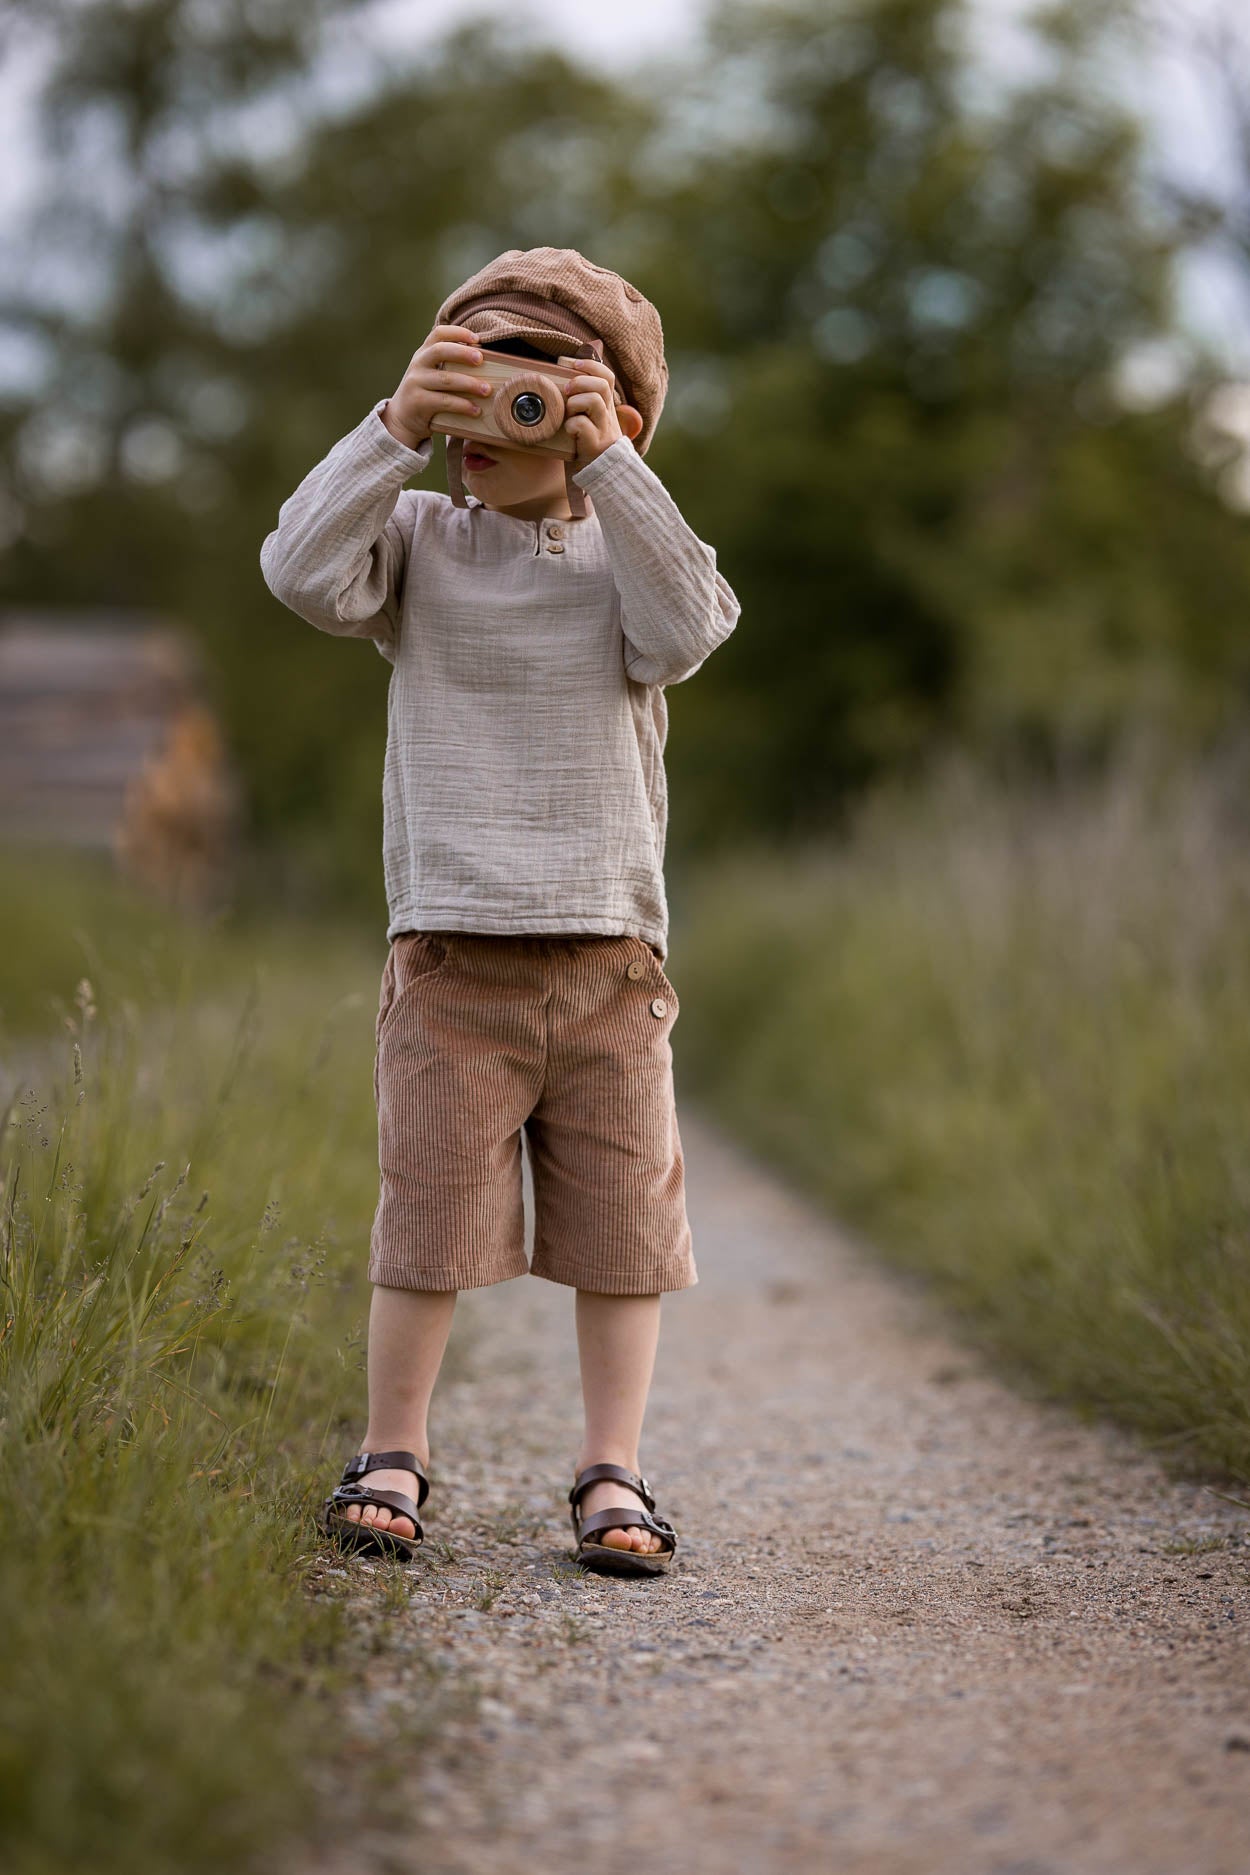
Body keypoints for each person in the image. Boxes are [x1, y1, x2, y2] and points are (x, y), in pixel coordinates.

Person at [259, 246, 741, 1577]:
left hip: (606, 961)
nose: (494, 419)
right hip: (452, 952)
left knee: (621, 1237)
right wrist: (389, 431)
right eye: (471, 378)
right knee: (424, 1223)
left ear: (609, 413)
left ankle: (610, 1466)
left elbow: (691, 625)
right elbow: (301, 575)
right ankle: (393, 1448)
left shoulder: (626, 558)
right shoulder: (411, 541)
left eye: (531, 386)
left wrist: (611, 470)